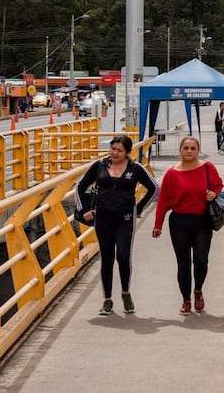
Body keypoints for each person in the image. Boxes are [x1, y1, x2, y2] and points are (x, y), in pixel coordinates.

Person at [75, 135, 158, 316]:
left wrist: (139, 208)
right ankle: (107, 299)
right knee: (107, 259)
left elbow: (153, 188)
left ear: (127, 152)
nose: (115, 153)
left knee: (123, 256)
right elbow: (80, 186)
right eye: (113, 149)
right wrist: (84, 210)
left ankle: (126, 292)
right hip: (102, 219)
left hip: (125, 220)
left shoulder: (135, 168)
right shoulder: (99, 166)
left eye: (119, 150)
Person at [152, 136, 224, 316]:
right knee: (183, 263)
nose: (189, 151)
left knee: (201, 260)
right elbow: (163, 201)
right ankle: (186, 300)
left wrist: (213, 194)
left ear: (198, 151)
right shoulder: (171, 173)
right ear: (180, 151)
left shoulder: (208, 168)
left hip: (202, 221)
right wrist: (158, 224)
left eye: (193, 148)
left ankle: (198, 289)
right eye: (186, 148)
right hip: (179, 223)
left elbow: (218, 185)